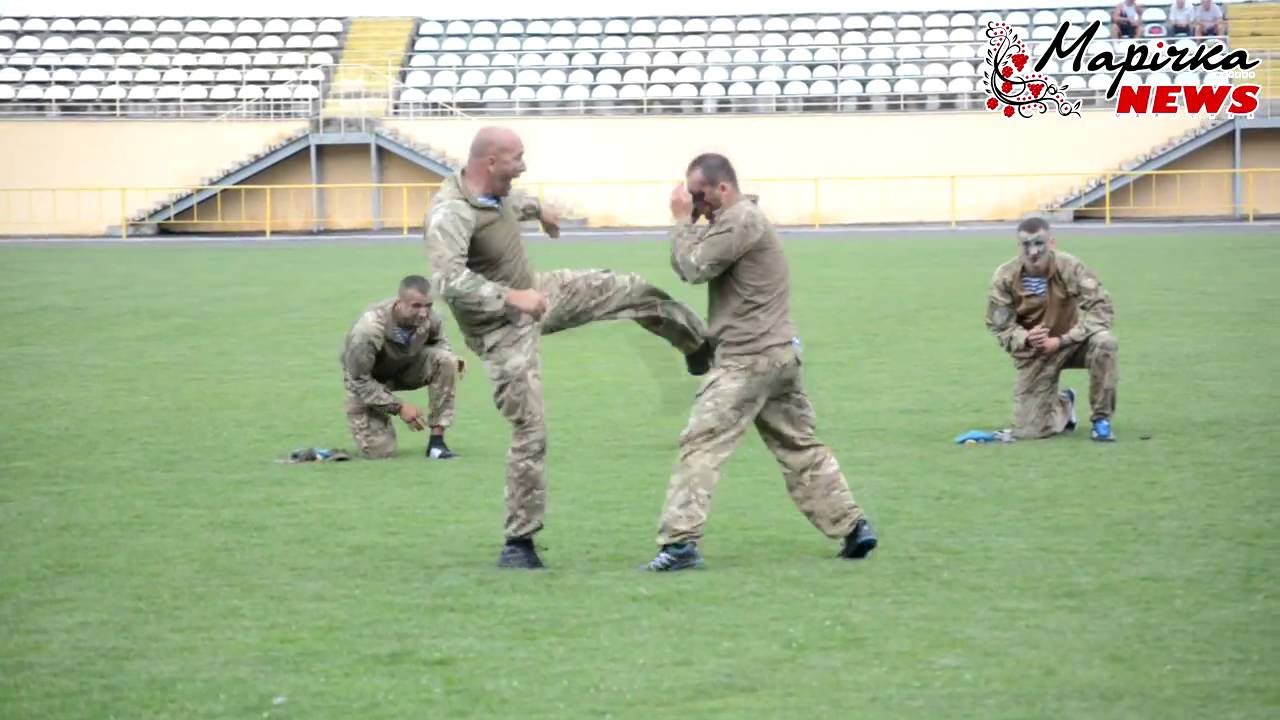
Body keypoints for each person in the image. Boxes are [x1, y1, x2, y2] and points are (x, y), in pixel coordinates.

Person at [424, 127, 713, 570]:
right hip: (501, 329)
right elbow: (448, 281)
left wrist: (543, 210)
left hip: (537, 294)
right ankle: (518, 543)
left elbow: (512, 203)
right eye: (517, 159)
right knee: (530, 431)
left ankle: (697, 346)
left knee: (630, 290)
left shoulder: (495, 192)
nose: (523, 166)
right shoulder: (451, 213)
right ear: (491, 162)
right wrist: (510, 298)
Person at [645, 153, 878, 572]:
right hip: (779, 359)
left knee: (700, 447)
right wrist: (695, 219)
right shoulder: (737, 219)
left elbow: (692, 268)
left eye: (699, 195)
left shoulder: (740, 219)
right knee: (798, 447)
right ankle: (852, 526)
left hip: (747, 362)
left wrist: (680, 221)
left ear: (722, 188)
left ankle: (680, 545)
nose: (695, 204)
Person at [984, 217, 1119, 442]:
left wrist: (1064, 339)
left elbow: (1101, 308)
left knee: (1105, 343)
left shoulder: (1070, 267)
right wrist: (1026, 338)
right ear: (1019, 247)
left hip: (1073, 344)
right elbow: (1000, 325)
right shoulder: (1004, 277)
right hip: (1034, 354)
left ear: (1052, 243)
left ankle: (1101, 420)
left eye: (1039, 243)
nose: (1033, 251)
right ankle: (1064, 403)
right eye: (1026, 244)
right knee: (1028, 432)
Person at [341, 275, 463, 460]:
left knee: (447, 361)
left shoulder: (431, 317)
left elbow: (439, 343)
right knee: (380, 452)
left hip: (405, 368)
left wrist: (452, 360)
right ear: (400, 303)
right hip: (369, 380)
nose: (423, 313)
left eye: (428, 305)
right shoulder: (368, 329)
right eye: (416, 306)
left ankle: (437, 443)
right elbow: (359, 379)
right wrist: (399, 407)